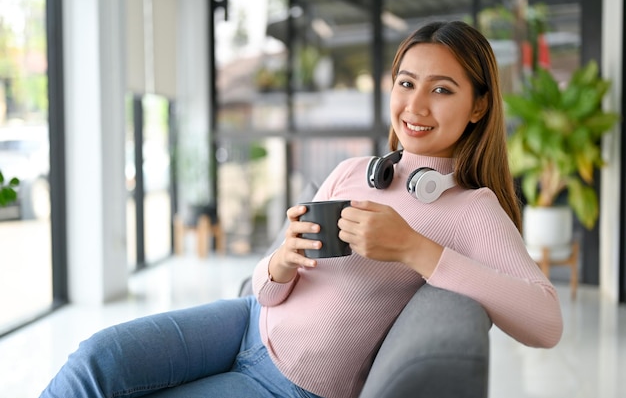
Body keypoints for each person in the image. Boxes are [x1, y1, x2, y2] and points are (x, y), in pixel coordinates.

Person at [39, 20, 563, 398]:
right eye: (406, 83)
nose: (415, 106)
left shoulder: (470, 208)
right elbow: (264, 290)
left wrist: (415, 250)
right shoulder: (356, 169)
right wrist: (280, 262)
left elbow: (546, 322)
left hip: (291, 384)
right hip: (246, 322)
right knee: (95, 360)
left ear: (478, 106)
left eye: (441, 90)